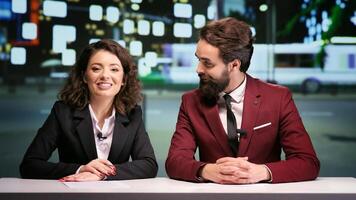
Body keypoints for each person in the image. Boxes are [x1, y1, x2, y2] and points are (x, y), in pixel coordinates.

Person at [165, 18, 320, 184]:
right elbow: (174, 161)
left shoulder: (278, 98)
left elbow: (308, 162)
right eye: (198, 59)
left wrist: (262, 172)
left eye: (207, 63)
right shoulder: (191, 102)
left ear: (234, 65)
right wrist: (207, 170)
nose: (198, 69)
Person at [20, 39, 158, 181]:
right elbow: (30, 165)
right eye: (96, 68)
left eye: (114, 69)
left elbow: (149, 165)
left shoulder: (133, 114)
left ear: (123, 79)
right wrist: (80, 169)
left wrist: (103, 175)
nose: (105, 75)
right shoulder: (63, 112)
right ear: (85, 76)